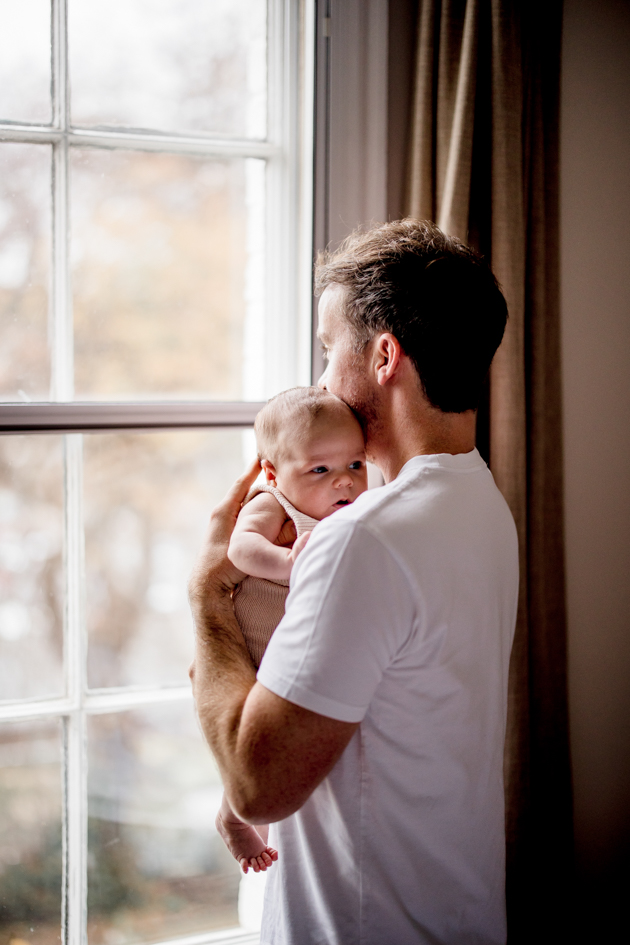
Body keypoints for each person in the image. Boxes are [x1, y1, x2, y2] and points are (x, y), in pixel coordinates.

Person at [188, 219, 519, 945]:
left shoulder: (363, 539)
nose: (320, 381)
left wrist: (208, 597)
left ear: (383, 356)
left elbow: (257, 786)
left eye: (328, 349)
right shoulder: (481, 501)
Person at [215, 387, 368, 874]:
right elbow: (240, 548)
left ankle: (255, 818)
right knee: (253, 743)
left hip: (294, 651)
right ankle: (232, 816)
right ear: (273, 472)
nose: (344, 481)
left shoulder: (350, 510)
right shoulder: (274, 502)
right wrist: (287, 563)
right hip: (255, 650)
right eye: (320, 470)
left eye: (356, 464)